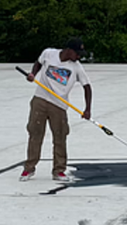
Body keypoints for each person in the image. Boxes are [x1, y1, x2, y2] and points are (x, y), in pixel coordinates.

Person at [21, 37, 91, 181]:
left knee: (60, 137)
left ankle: (59, 170)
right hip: (40, 99)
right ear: (69, 50)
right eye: (77, 53)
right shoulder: (49, 54)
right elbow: (38, 63)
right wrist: (33, 74)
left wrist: (87, 109)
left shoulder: (76, 67)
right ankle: (29, 169)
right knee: (35, 134)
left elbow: (87, 86)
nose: (78, 57)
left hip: (59, 105)